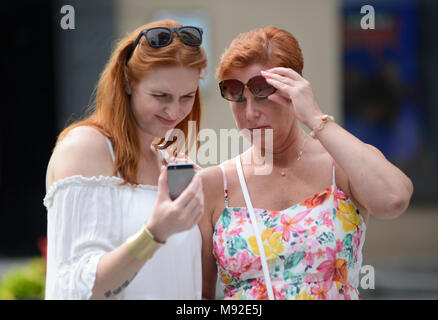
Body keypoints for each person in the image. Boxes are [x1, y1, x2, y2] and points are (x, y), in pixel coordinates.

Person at [199, 26, 413, 300]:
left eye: (262, 91)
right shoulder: (216, 183)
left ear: (295, 87)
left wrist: (316, 118)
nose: (250, 112)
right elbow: (200, 299)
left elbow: (393, 199)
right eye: (236, 96)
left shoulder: (341, 164)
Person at [43, 20, 207, 299]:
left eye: (187, 96)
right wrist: (154, 234)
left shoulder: (170, 161)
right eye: (160, 95)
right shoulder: (86, 147)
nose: (174, 110)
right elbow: (75, 288)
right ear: (128, 82)